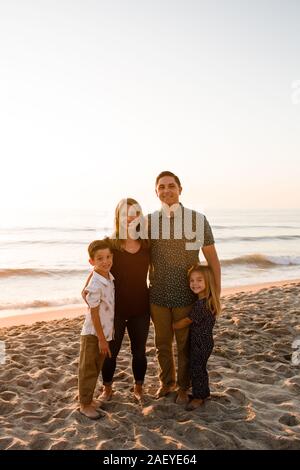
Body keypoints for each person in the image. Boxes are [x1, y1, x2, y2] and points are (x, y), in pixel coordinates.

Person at [148, 171, 221, 404]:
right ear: (156, 192)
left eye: (171, 186)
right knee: (161, 344)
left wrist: (215, 295)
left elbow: (212, 259)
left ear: (180, 189)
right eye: (162, 187)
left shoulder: (197, 220)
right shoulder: (148, 222)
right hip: (157, 294)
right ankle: (166, 382)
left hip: (187, 294)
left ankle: (183, 387)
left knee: (184, 345)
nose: (166, 190)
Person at [82, 198, 150, 403]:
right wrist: (85, 290)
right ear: (118, 217)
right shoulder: (110, 244)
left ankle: (138, 388)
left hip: (141, 307)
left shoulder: (147, 244)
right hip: (115, 310)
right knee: (111, 352)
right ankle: (107, 388)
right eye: (125, 213)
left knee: (139, 352)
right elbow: (97, 268)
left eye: (135, 213)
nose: (130, 217)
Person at [173, 264, 221, 411]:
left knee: (197, 368)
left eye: (199, 280)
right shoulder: (206, 300)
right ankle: (202, 392)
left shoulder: (203, 304)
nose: (195, 284)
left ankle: (199, 397)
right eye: (192, 281)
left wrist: (174, 325)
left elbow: (188, 320)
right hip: (203, 341)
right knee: (199, 368)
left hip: (201, 342)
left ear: (208, 282)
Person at [78, 239, 114, 419]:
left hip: (105, 332)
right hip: (94, 333)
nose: (105, 261)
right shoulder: (95, 283)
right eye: (100, 258)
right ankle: (84, 404)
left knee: (96, 366)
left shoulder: (108, 277)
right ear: (92, 262)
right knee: (88, 368)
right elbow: (94, 314)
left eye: (108, 257)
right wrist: (101, 338)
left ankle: (89, 399)